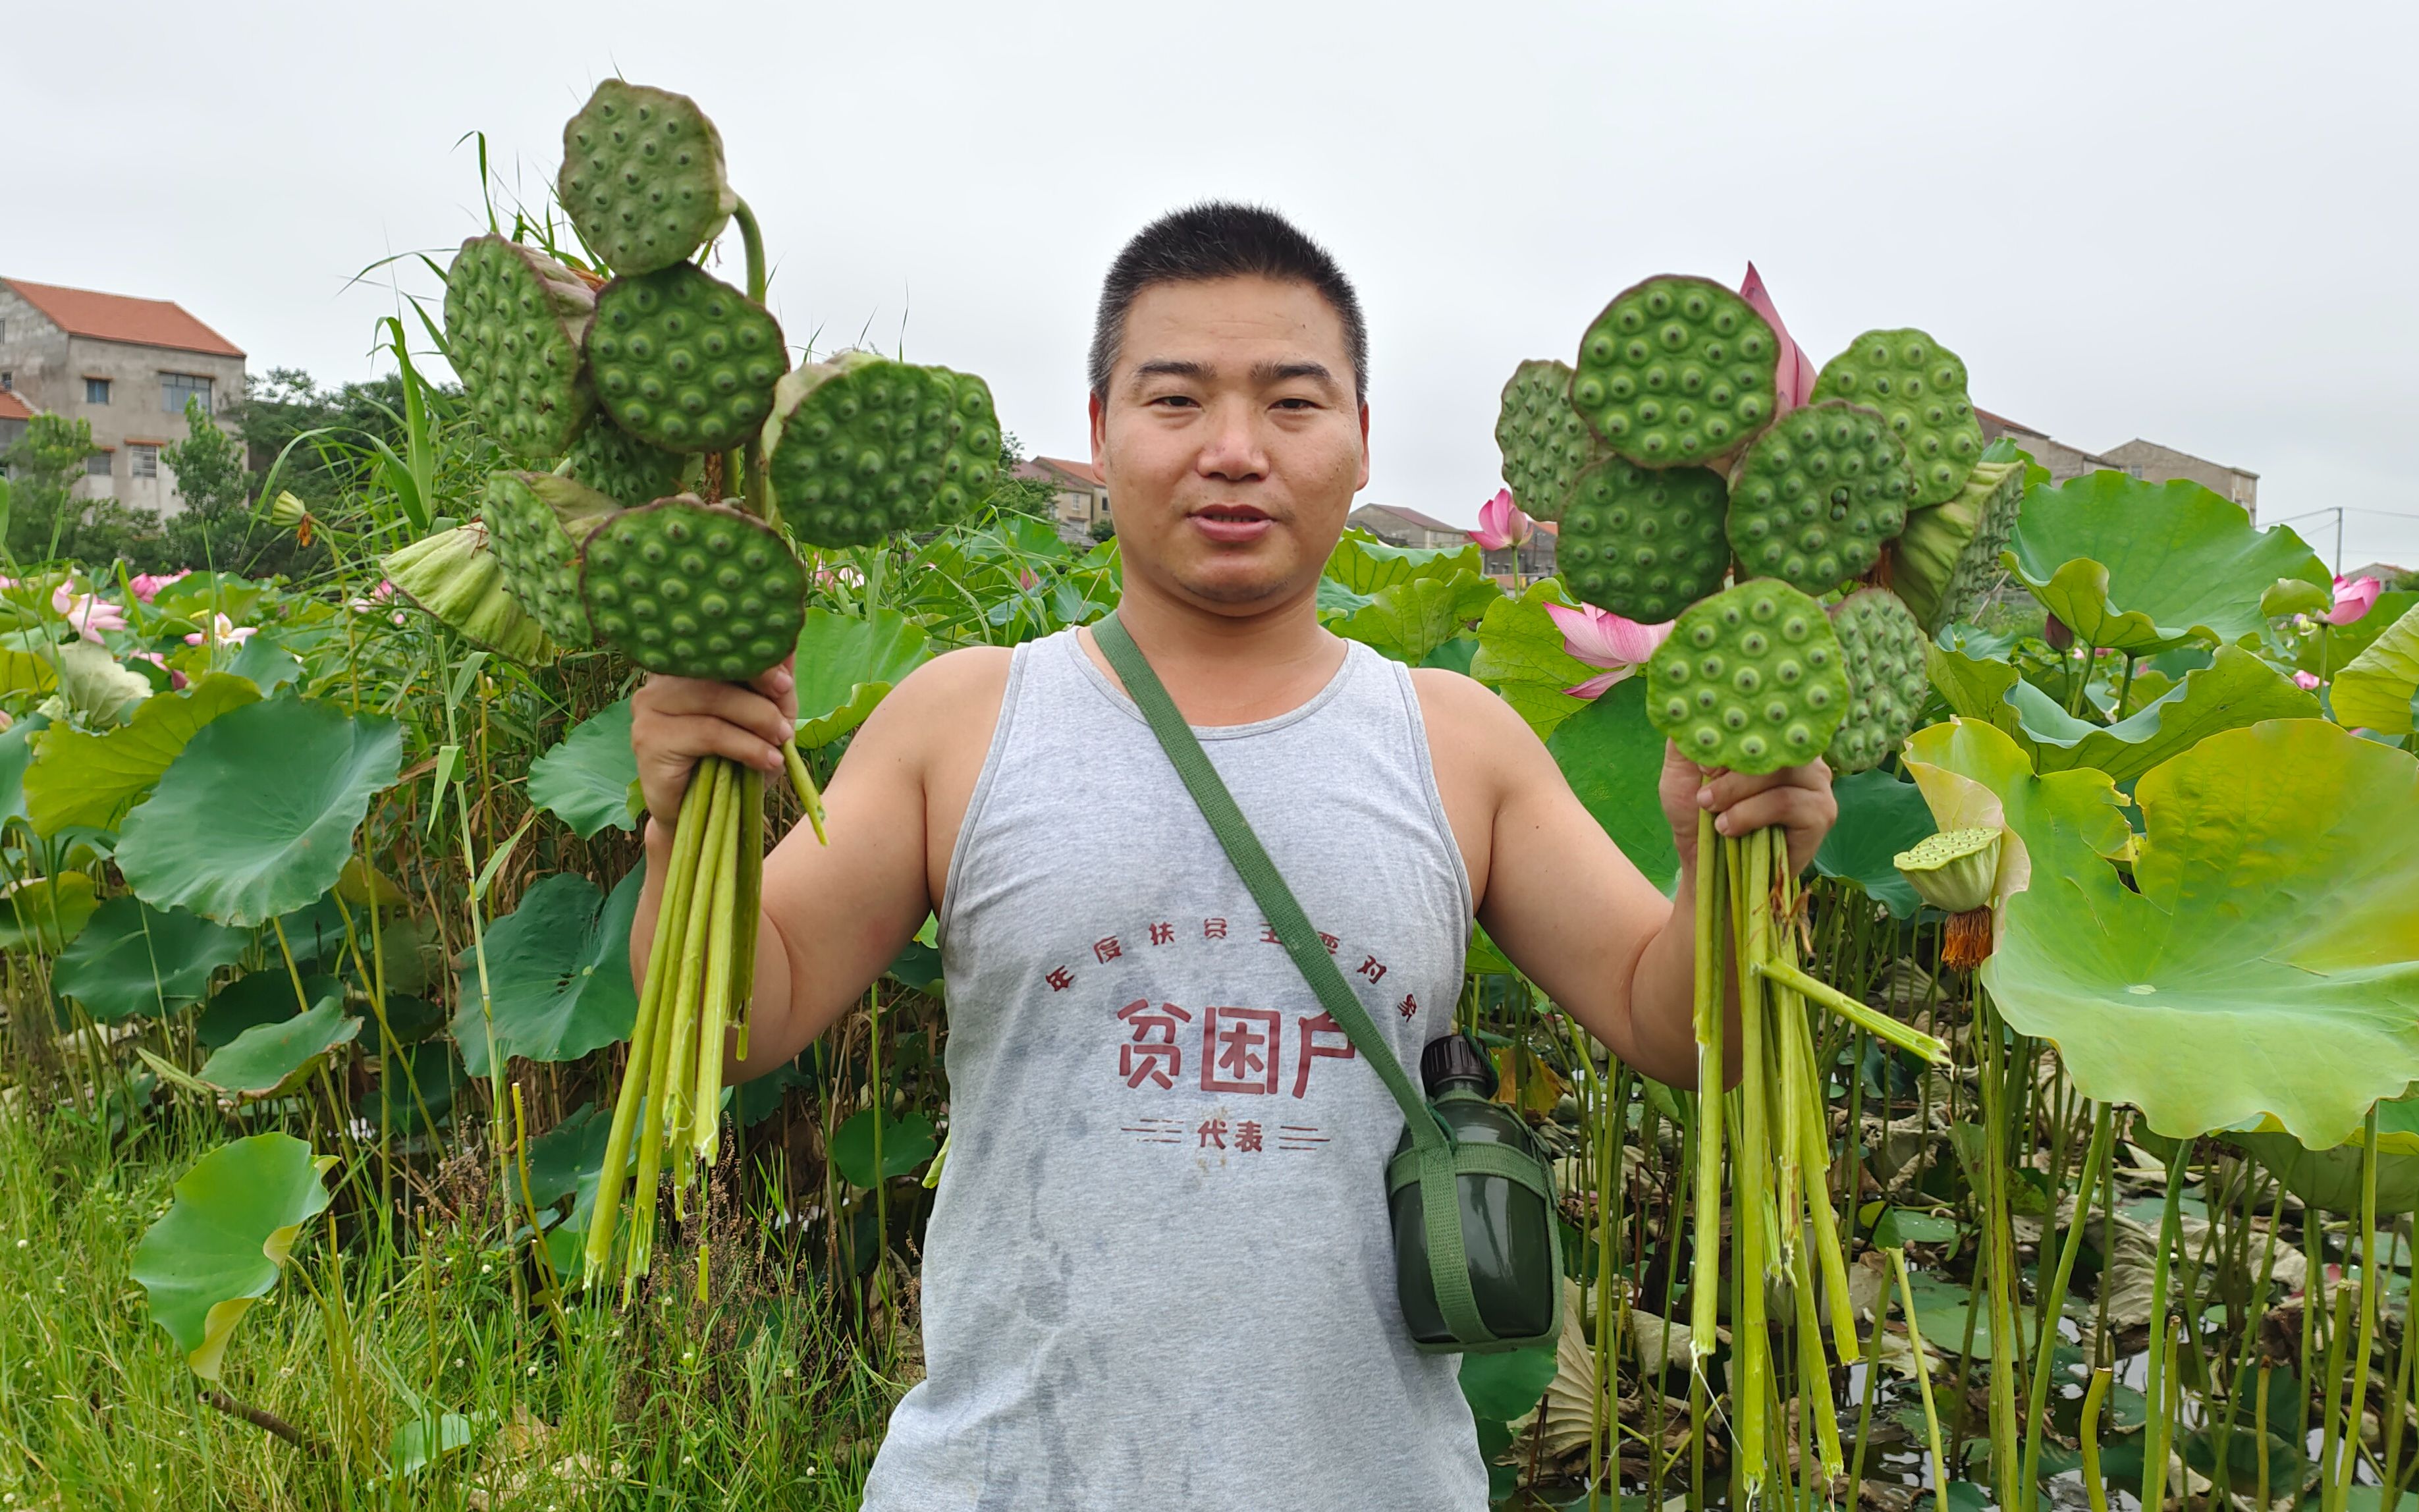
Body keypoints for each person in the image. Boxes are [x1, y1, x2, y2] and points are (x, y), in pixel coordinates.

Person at [627, 202, 1837, 1510]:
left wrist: (1724, 861)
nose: (1234, 449)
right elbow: (731, 1024)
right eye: (1176, 399)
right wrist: (681, 817)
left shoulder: (1459, 742)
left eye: (1293, 403)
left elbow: (1680, 1030)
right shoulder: (959, 716)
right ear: (1099, 436)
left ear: (1362, 439)